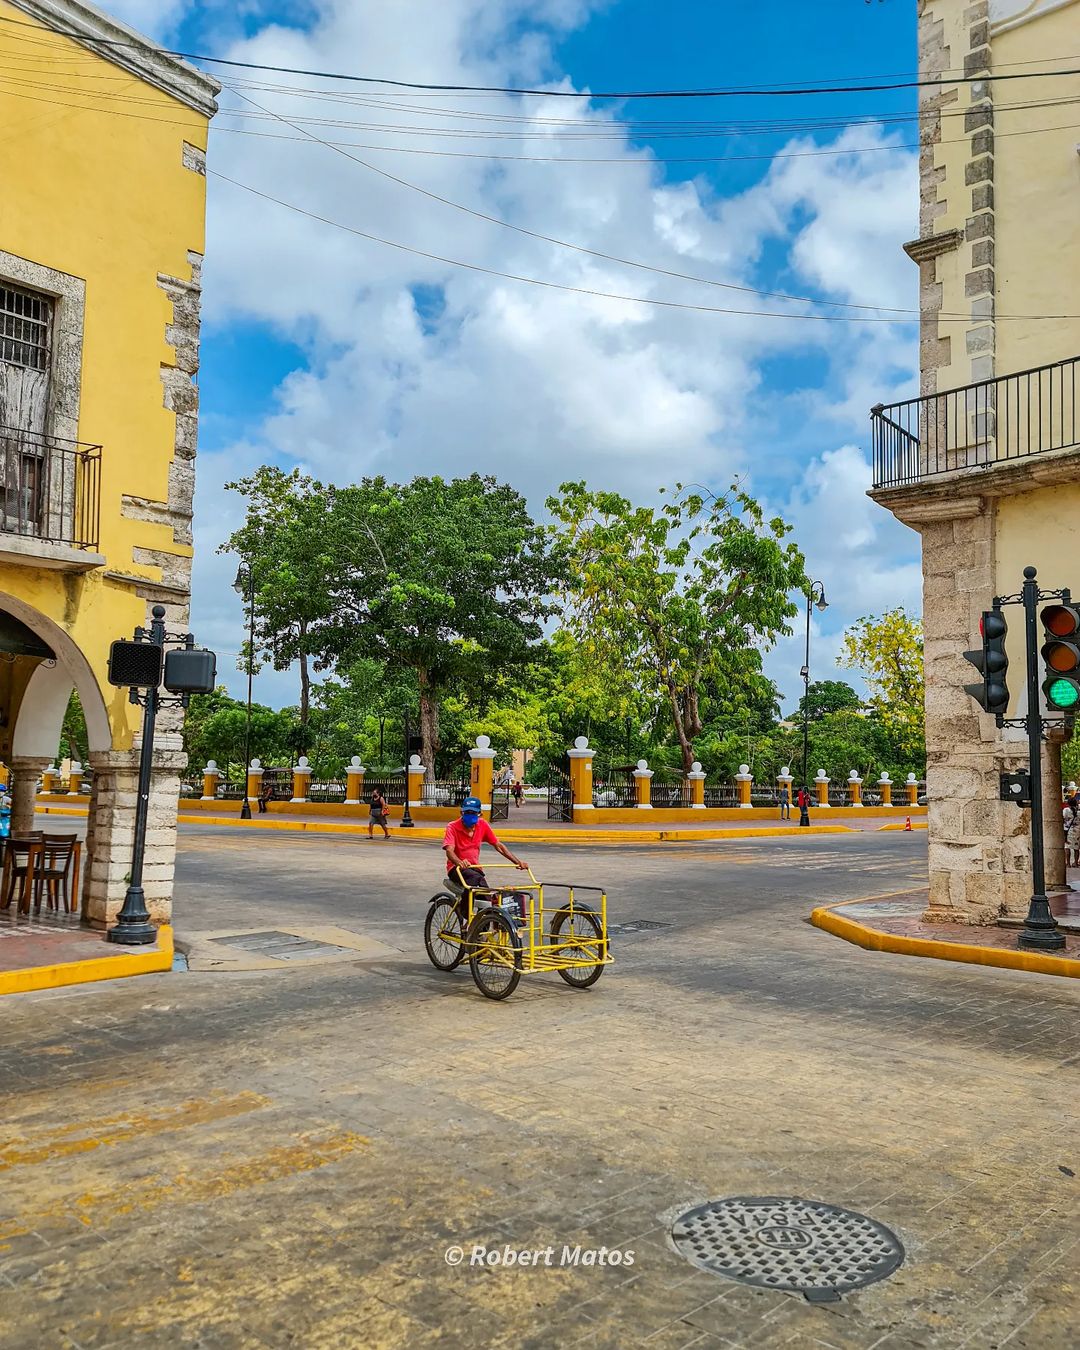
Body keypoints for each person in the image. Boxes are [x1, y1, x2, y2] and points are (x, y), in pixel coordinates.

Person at [443, 796, 528, 916]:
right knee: (476, 881)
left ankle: (481, 929)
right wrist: (459, 862)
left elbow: (499, 846)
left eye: (473, 813)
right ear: (461, 812)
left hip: (475, 870)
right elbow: (449, 851)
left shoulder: (482, 825)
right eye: (467, 812)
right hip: (456, 869)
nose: (470, 815)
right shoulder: (452, 827)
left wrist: (517, 862)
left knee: (486, 899)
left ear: (479, 814)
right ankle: (465, 913)